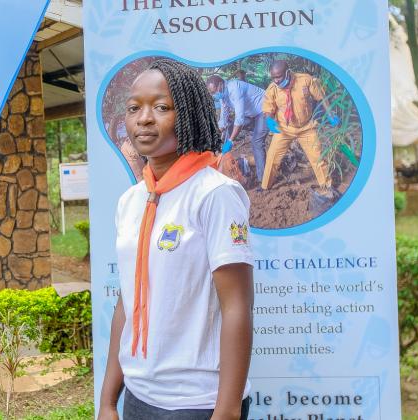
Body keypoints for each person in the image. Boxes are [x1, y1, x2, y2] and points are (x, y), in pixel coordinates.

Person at [98, 58, 254, 420]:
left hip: (197, 402)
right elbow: (127, 301)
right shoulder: (131, 201)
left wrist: (226, 412)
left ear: (189, 114)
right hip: (139, 395)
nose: (144, 119)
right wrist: (107, 401)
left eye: (161, 107)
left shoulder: (215, 194)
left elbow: (237, 305)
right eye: (134, 108)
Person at [261, 60, 334, 191]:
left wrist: (330, 113)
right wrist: (269, 120)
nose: (276, 80)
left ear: (287, 72)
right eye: (273, 78)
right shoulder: (272, 89)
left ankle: (327, 186)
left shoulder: (306, 80)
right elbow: (268, 109)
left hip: (306, 127)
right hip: (284, 129)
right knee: (272, 158)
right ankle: (265, 187)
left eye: (279, 77)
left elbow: (321, 97)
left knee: (318, 158)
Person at [207, 75, 269, 183]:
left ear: (220, 84)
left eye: (214, 91)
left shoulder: (235, 88)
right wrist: (215, 135)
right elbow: (224, 119)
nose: (214, 94)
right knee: (230, 126)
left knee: (257, 142)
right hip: (250, 113)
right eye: (212, 93)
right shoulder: (223, 95)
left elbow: (239, 120)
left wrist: (231, 141)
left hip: (263, 110)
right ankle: (224, 155)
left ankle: (263, 181)